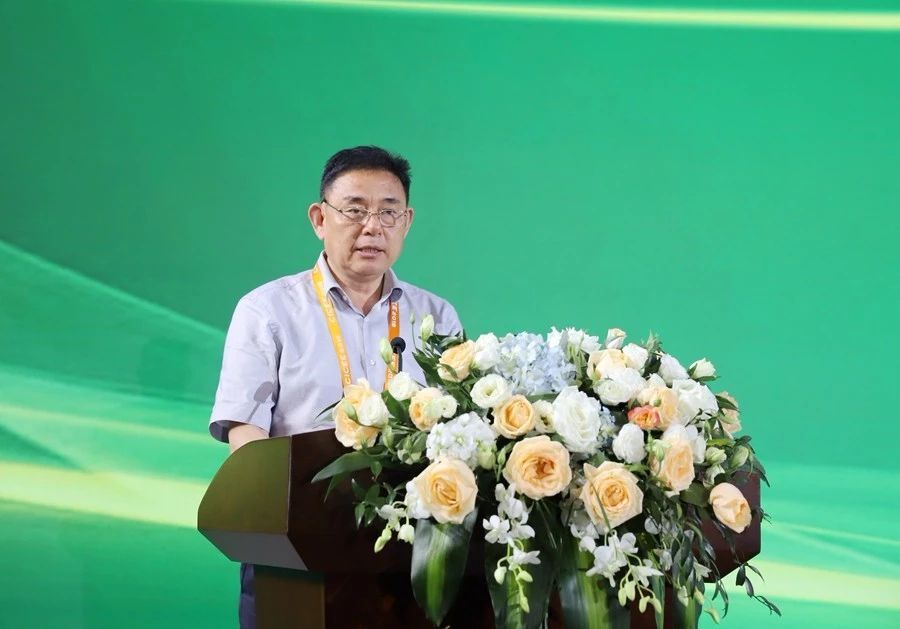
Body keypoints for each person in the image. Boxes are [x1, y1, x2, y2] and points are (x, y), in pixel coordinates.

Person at [208, 146, 462, 628]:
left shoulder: (436, 317)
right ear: (319, 218)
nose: (373, 227)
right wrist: (284, 513)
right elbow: (245, 433)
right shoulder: (267, 311)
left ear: (407, 222)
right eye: (355, 210)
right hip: (297, 547)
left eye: (388, 212)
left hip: (408, 552)